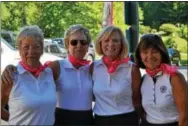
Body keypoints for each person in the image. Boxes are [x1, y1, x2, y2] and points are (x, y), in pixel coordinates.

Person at [1, 24, 93, 125]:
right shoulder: (55, 67)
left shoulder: (91, 69)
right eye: (74, 42)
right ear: (67, 44)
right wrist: (16, 120)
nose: (79, 45)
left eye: (83, 42)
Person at [1, 25, 57, 125]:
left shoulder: (49, 73)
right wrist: (16, 120)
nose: (31, 52)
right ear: (19, 50)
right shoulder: (11, 76)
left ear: (42, 50)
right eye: (26, 47)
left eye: (36, 47)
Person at [91, 25, 141, 126]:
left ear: (121, 44)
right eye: (106, 40)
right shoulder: (93, 67)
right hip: (100, 120)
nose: (110, 44)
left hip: (126, 120)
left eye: (115, 40)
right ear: (100, 43)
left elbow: (137, 99)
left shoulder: (132, 69)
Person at [135, 34, 188, 126]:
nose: (149, 56)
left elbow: (185, 116)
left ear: (162, 53)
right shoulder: (144, 78)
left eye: (154, 51)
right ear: (140, 56)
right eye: (145, 52)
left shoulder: (175, 77)